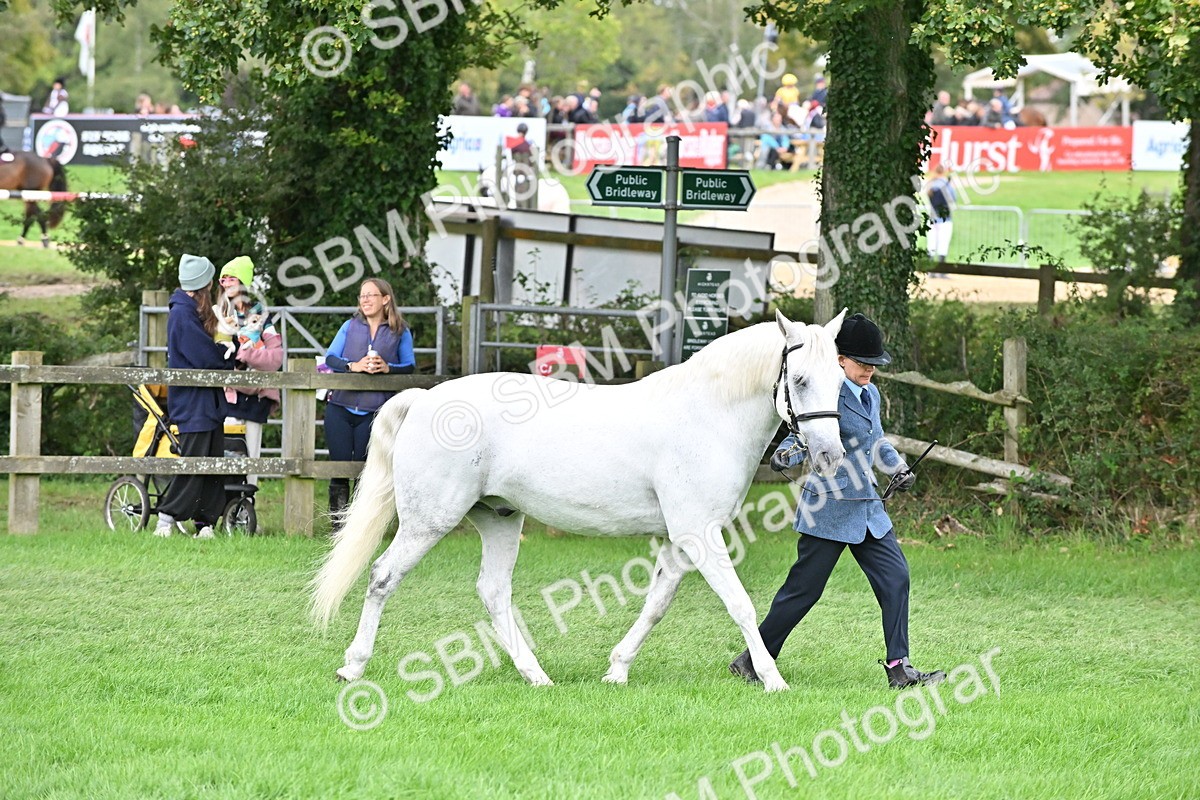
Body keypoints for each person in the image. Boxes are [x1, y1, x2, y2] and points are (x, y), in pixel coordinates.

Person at [729, 313, 945, 690]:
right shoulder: (825, 388)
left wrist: (899, 468)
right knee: (803, 592)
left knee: (897, 580)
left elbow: (877, 441)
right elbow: (803, 431)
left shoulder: (871, 394)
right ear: (840, 359)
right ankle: (753, 659)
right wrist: (785, 455)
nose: (870, 372)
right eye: (863, 364)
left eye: (874, 366)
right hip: (827, 509)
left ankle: (899, 667)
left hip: (868, 509)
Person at [154, 254, 237, 539]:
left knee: (212, 463)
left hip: (207, 403)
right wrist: (225, 357)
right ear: (205, 283)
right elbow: (201, 354)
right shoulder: (182, 313)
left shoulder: (192, 311)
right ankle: (166, 516)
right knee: (195, 462)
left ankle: (205, 522)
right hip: (193, 402)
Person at [322, 278, 416, 522]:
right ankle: (337, 525)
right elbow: (330, 358)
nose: (364, 300)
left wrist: (388, 368)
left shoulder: (400, 331)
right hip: (340, 408)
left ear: (385, 299)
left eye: (370, 295)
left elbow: (409, 366)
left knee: (366, 470)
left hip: (376, 412)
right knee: (339, 467)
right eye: (362, 296)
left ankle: (360, 523)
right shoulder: (349, 326)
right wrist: (353, 365)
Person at [215, 256, 282, 485]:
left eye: (232, 278)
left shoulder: (261, 316)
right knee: (225, 457)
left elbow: (276, 358)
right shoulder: (217, 316)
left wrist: (245, 354)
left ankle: (247, 510)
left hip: (254, 398)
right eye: (223, 279)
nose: (226, 283)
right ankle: (223, 511)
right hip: (226, 396)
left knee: (251, 458)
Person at [925, 163, 955, 267]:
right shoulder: (946, 184)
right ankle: (941, 269)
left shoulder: (931, 184)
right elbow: (953, 199)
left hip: (933, 218)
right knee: (943, 244)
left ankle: (930, 269)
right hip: (945, 218)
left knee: (931, 243)